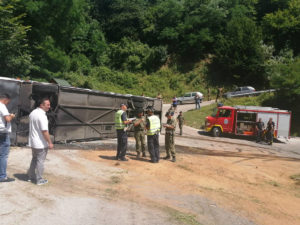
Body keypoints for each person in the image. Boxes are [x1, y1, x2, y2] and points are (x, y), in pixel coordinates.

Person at [27, 97, 53, 185]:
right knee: (40, 161)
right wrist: (50, 142)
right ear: (41, 105)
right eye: (47, 105)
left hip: (33, 142)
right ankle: (39, 179)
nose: (49, 106)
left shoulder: (33, 113)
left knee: (34, 159)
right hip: (40, 143)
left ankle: (31, 176)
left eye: (49, 104)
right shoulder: (42, 115)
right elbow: (44, 131)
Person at [0, 94, 16, 183]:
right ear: (6, 100)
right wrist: (12, 116)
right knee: (3, 155)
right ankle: (2, 176)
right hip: (2, 133)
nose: (7, 104)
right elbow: (8, 119)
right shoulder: (2, 106)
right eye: (8, 102)